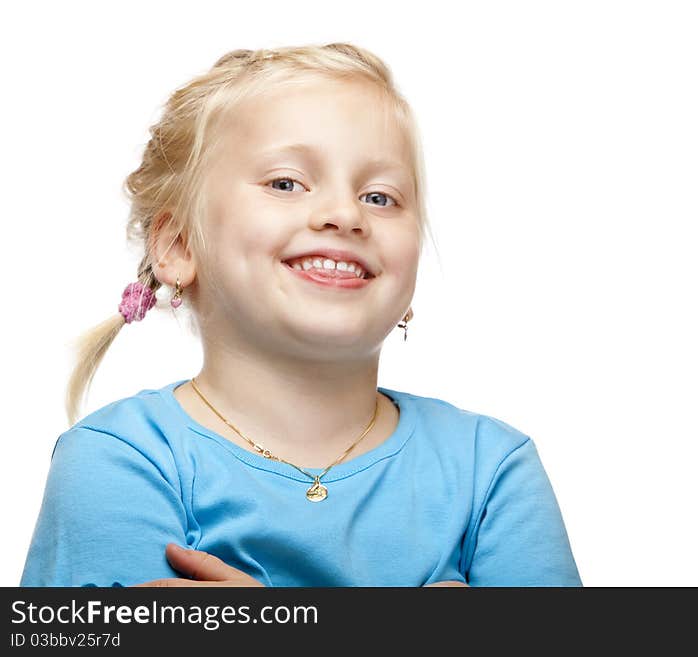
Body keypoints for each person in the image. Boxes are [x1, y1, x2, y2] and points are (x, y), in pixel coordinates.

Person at [19, 43, 582, 587]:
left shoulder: (492, 470)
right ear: (179, 247)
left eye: (381, 196)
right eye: (286, 183)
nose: (345, 214)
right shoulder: (121, 460)